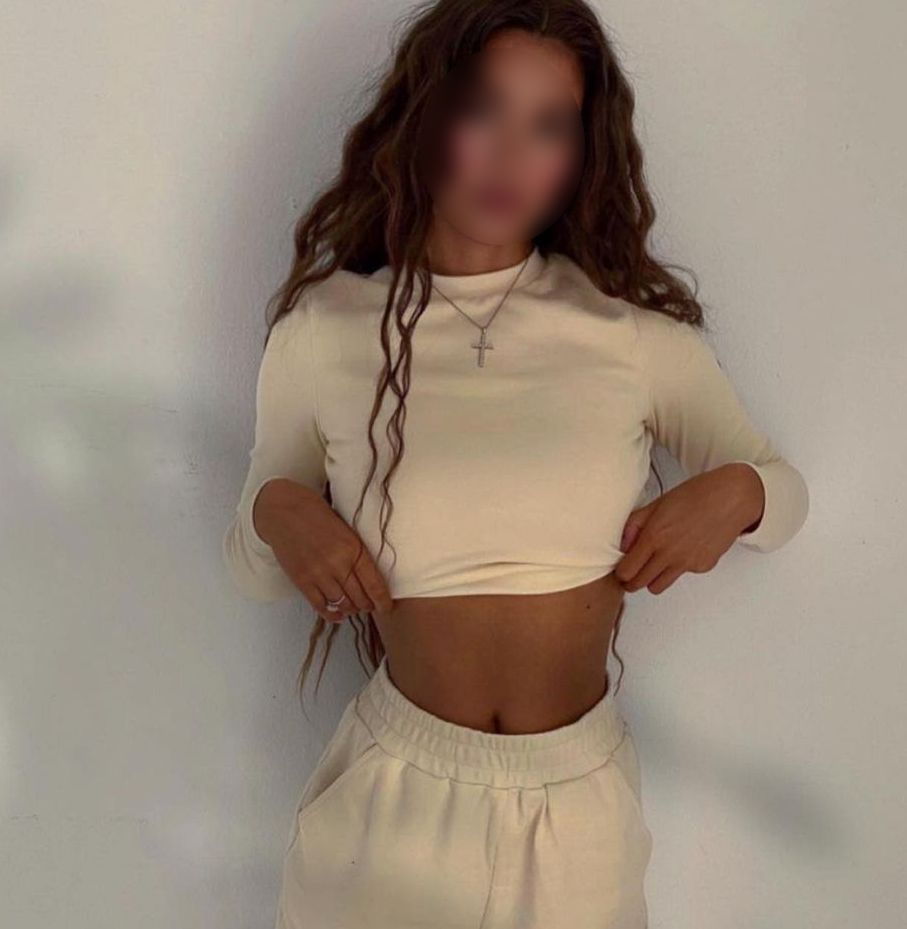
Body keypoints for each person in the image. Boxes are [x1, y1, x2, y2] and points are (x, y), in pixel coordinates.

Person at [222, 2, 810, 926]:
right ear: (426, 119)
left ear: (580, 156)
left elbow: (782, 494)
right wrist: (276, 509)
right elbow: (256, 569)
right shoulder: (325, 330)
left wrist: (738, 493)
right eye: (482, 110)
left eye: (547, 126)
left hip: (576, 810)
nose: (508, 155)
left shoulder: (626, 337)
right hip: (391, 805)